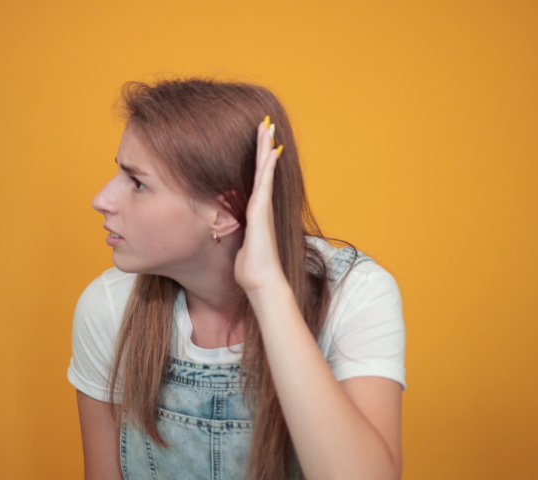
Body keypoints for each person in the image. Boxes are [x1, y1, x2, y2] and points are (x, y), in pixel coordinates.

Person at [68, 78, 405, 480]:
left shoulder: (356, 294)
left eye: (137, 183)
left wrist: (266, 289)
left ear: (224, 214)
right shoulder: (109, 306)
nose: (101, 199)